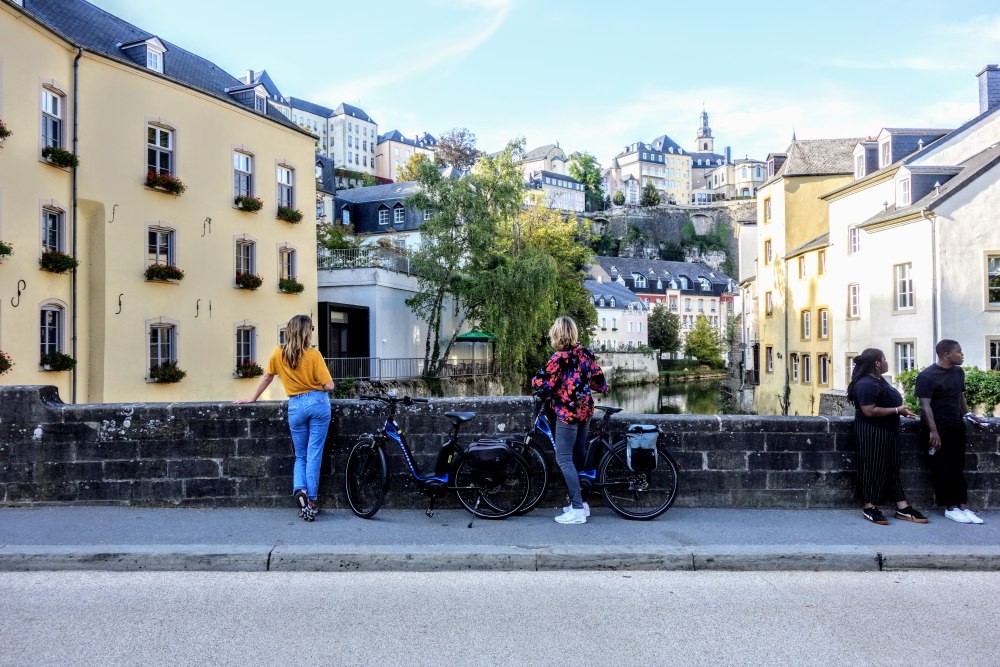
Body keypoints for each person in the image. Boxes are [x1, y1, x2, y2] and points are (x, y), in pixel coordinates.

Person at [236, 315, 335, 521]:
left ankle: (301, 491)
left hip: (296, 405)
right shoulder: (314, 355)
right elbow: (329, 386)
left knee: (300, 455)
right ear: (307, 332)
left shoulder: (278, 353)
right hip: (317, 403)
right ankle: (312, 502)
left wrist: (252, 398)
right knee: (313, 454)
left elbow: (267, 377)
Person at [531, 316, 608, 525]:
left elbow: (542, 383)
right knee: (577, 455)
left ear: (557, 335)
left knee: (563, 458)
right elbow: (601, 384)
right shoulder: (585, 354)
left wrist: (541, 383)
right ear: (573, 333)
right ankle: (582, 503)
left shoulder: (559, 358)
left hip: (567, 413)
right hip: (585, 411)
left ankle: (576, 509)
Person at [846, 348, 926, 525]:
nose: (887, 362)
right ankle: (869, 507)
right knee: (873, 467)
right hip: (871, 431)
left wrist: (899, 412)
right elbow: (869, 410)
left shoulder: (878, 379)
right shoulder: (866, 383)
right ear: (877, 363)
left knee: (892, 467)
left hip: (888, 430)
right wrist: (898, 410)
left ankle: (902, 507)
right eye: (884, 359)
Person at [915, 339, 985, 524]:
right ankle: (950, 507)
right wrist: (933, 431)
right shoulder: (927, 376)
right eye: (959, 352)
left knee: (958, 467)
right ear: (946, 354)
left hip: (955, 424)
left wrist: (968, 414)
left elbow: (959, 395)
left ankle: (963, 507)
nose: (962, 355)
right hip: (938, 427)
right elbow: (925, 405)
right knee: (942, 467)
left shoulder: (958, 372)